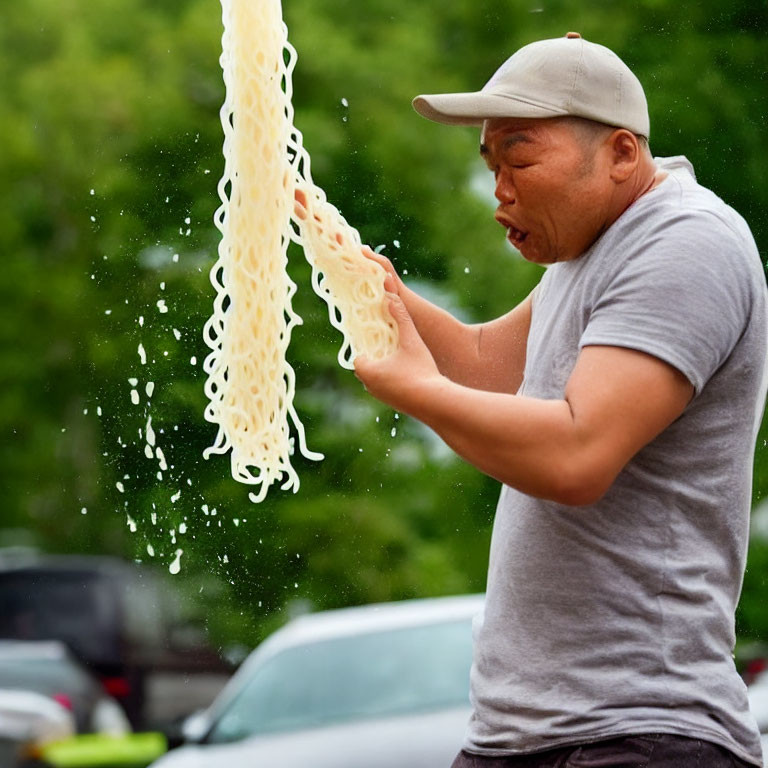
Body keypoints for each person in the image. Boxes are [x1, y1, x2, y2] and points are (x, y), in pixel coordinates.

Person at [353, 33, 768, 767]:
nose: (499, 192)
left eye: (519, 160)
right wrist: (369, 289)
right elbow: (489, 369)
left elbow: (577, 454)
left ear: (620, 154)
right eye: (491, 167)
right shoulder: (592, 246)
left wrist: (416, 392)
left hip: (640, 733)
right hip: (526, 736)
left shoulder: (686, 242)